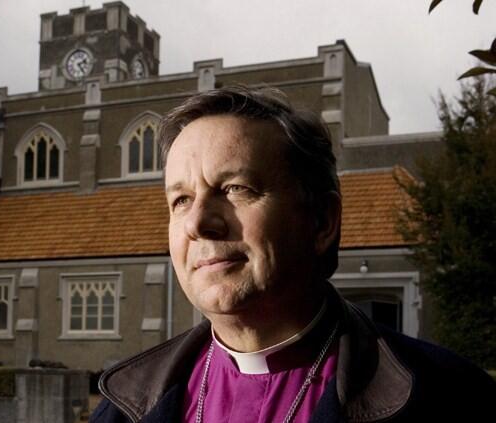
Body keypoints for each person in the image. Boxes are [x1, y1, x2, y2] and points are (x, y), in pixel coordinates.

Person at [90, 86, 496, 423]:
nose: (198, 222)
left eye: (236, 188)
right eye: (180, 199)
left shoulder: (450, 397)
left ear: (321, 222)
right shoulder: (123, 407)